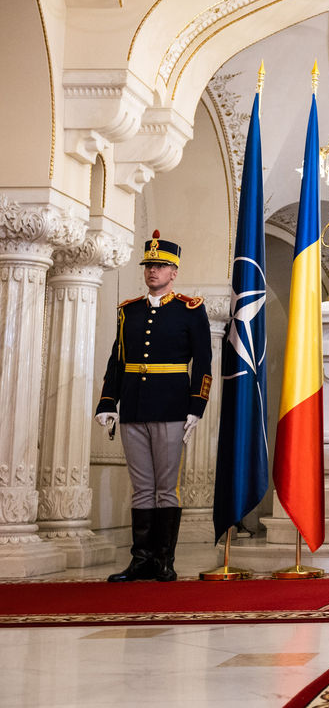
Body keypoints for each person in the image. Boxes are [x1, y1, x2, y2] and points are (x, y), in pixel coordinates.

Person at [95, 231, 213, 582]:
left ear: (173, 272)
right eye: (149, 265)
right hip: (134, 406)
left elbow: (203, 363)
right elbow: (117, 360)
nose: (152, 271)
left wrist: (196, 407)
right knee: (142, 485)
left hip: (172, 406)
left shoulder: (190, 310)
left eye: (160, 266)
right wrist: (107, 402)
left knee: (165, 485)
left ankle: (164, 559)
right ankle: (141, 559)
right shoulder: (127, 311)